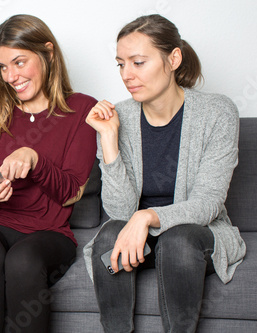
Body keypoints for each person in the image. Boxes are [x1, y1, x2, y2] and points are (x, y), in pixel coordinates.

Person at [83, 14, 246, 333]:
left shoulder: (217, 113)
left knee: (178, 239)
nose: (126, 75)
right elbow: (119, 213)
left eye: (138, 62)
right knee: (108, 236)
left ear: (173, 59)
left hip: (192, 233)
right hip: (136, 238)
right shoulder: (119, 117)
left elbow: (208, 204)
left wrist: (146, 217)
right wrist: (109, 140)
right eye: (120, 64)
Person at [0, 14, 97, 333]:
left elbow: (71, 192)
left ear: (48, 53)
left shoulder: (82, 110)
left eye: (19, 62)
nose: (11, 76)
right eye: (3, 67)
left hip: (48, 233)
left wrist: (35, 159)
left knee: (22, 261)